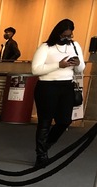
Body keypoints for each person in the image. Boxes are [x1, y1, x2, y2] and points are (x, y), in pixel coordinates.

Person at [31, 19, 85, 167]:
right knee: (45, 122)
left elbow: (80, 70)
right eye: (64, 36)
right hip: (47, 87)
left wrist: (78, 63)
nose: (67, 39)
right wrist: (58, 65)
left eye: (70, 36)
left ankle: (45, 145)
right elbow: (35, 70)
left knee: (64, 121)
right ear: (58, 33)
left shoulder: (75, 46)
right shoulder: (46, 47)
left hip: (67, 86)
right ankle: (41, 155)